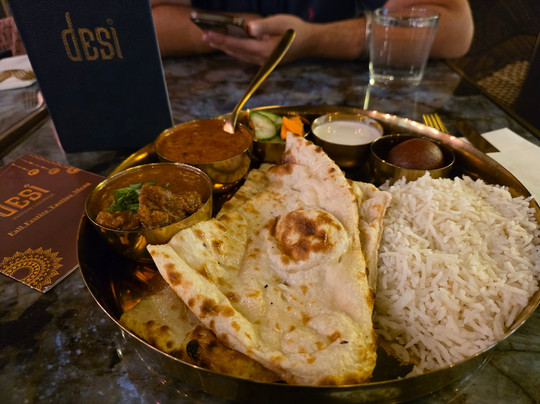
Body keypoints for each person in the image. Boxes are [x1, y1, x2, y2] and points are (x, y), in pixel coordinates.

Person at [150, 0, 474, 65]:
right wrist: (243, 26)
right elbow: (144, 22)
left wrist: (317, 39)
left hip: (359, 102)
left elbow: (455, 29)